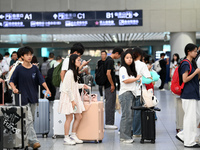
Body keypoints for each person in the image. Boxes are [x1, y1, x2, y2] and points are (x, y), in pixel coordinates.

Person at [9, 46, 51, 149]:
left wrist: (48, 89)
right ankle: (34, 141)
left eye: (30, 54)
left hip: (33, 97)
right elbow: (11, 81)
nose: (29, 56)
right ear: (22, 56)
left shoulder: (35, 68)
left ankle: (26, 140)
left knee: (30, 120)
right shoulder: (18, 68)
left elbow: (42, 81)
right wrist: (14, 88)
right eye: (27, 55)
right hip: (23, 98)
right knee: (28, 119)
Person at [58, 54, 89, 145]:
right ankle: (66, 137)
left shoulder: (74, 72)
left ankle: (73, 134)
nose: (80, 62)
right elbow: (67, 88)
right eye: (78, 60)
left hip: (74, 97)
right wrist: (72, 101)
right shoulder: (69, 73)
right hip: (69, 98)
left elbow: (74, 86)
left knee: (78, 116)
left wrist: (82, 85)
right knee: (69, 117)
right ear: (73, 61)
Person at [176, 43, 200, 148]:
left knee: (194, 117)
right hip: (188, 94)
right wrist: (196, 73)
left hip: (193, 93)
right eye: (194, 51)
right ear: (188, 52)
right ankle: (189, 142)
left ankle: (183, 136)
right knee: (189, 118)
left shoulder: (192, 63)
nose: (196, 53)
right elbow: (185, 79)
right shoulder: (186, 63)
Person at [119, 49, 141, 144]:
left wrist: (136, 80)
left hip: (131, 94)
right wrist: (136, 79)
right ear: (123, 59)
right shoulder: (122, 69)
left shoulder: (131, 69)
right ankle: (124, 137)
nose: (129, 59)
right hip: (125, 94)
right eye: (127, 58)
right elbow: (125, 80)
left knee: (129, 116)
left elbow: (132, 80)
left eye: (131, 58)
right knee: (126, 116)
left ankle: (127, 135)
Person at [132, 47, 151, 137]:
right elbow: (149, 78)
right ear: (139, 55)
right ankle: (136, 132)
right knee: (137, 112)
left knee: (128, 112)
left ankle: (127, 130)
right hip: (138, 91)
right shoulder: (142, 65)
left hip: (128, 90)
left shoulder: (128, 63)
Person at [104, 47, 123, 130]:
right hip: (109, 86)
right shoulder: (110, 60)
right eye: (120, 55)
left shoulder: (108, 60)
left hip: (108, 85)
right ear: (117, 53)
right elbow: (108, 73)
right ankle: (109, 123)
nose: (119, 57)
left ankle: (110, 122)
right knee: (110, 104)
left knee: (111, 103)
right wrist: (112, 84)